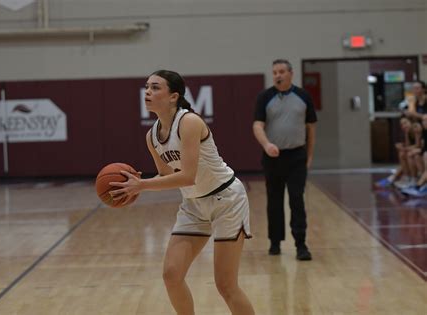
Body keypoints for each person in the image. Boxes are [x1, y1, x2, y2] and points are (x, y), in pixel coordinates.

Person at [109, 70, 255, 315]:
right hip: (193, 204)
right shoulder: (151, 136)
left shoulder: (189, 122)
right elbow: (167, 176)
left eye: (155, 88)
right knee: (171, 275)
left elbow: (187, 175)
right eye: (146, 87)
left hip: (227, 201)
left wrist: (142, 185)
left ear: (173, 96)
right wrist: (137, 182)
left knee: (226, 285)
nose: (148, 92)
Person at [252, 59, 317, 261]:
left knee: (297, 199)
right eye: (274, 72)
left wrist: (309, 156)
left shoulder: (303, 96)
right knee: (274, 200)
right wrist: (266, 145)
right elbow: (257, 125)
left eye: (281, 71)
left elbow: (311, 129)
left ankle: (301, 244)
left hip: (297, 156)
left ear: (291, 73)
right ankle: (275, 242)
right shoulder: (265, 97)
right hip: (273, 157)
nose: (277, 75)